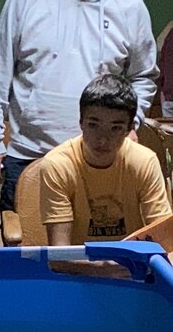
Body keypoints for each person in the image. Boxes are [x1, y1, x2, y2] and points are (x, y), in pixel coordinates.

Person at [0, 0, 159, 215]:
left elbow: (144, 77)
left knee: (93, 243)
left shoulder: (130, 6)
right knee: (25, 241)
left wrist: (134, 121)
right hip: (30, 154)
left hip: (99, 158)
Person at [39, 74, 171, 245]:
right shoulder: (58, 165)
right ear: (81, 123)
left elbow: (163, 238)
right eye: (93, 125)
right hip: (78, 261)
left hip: (132, 259)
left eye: (115, 128)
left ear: (130, 129)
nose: (102, 140)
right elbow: (60, 252)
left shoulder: (144, 161)